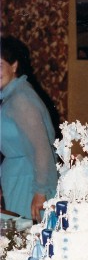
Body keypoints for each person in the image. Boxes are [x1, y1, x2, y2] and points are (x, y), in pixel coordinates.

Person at [0, 36, 58, 222]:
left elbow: (41, 147)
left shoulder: (21, 99)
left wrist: (40, 192)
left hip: (28, 179)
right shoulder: (12, 94)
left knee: (25, 240)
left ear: (14, 65)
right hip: (19, 175)